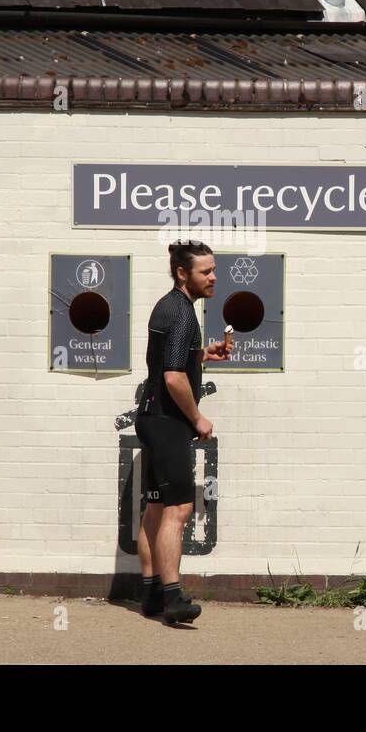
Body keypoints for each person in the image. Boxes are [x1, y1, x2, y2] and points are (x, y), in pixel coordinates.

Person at [135, 240, 232, 625]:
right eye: (205, 271)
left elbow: (169, 360)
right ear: (182, 273)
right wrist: (197, 419)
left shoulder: (171, 306)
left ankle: (152, 594)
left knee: (156, 509)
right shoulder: (181, 313)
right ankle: (174, 599)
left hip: (151, 418)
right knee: (179, 508)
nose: (214, 277)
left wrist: (203, 354)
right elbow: (173, 377)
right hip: (167, 422)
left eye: (213, 269)